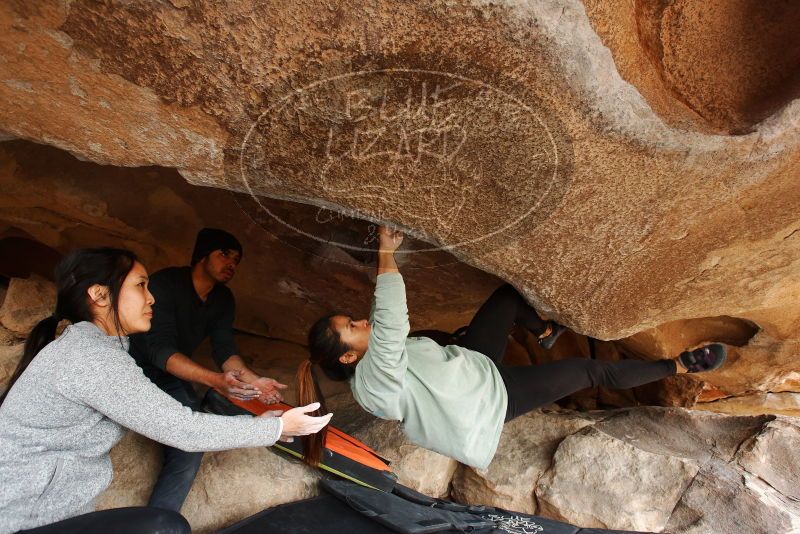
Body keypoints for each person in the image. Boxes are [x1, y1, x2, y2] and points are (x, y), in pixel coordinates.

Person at [298, 226, 726, 469]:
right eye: (352, 327)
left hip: (474, 364)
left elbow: (384, 326)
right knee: (588, 372)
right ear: (348, 356)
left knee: (505, 299)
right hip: (491, 401)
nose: (362, 321)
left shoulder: (373, 362)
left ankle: (543, 333)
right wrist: (385, 253)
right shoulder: (370, 382)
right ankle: (681, 366)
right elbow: (391, 319)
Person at [0, 248, 331, 534]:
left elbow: (224, 347)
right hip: (18, 520)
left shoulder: (99, 348)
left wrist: (253, 384)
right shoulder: (90, 356)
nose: (151, 297)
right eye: (141, 285)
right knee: (164, 527)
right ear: (100, 296)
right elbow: (182, 427)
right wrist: (275, 427)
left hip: (46, 516)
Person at [128, 228, 288, 511]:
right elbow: (159, 350)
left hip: (169, 375)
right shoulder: (166, 285)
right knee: (189, 423)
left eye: (237, 259)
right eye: (224, 254)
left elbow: (224, 349)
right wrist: (215, 380)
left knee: (190, 444)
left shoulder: (222, 299)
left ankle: (158, 521)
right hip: (133, 367)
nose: (232, 264)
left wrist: (255, 381)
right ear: (202, 256)